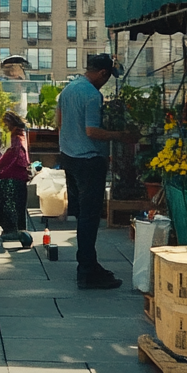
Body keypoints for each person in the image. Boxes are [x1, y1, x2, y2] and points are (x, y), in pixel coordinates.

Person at [55, 53, 140, 289]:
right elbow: (92, 131)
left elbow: (59, 122)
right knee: (90, 218)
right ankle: (87, 270)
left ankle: (87, 263)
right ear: (103, 73)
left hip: (69, 157)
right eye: (108, 77)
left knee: (82, 215)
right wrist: (121, 136)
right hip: (89, 161)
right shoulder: (93, 95)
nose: (107, 81)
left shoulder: (69, 89)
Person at [0, 110, 34, 248]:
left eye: (7, 124)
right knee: (16, 205)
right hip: (17, 175)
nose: (6, 127)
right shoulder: (21, 134)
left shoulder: (17, 136)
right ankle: (16, 230)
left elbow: (11, 155)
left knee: (1, 201)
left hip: (12, 176)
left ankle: (12, 229)